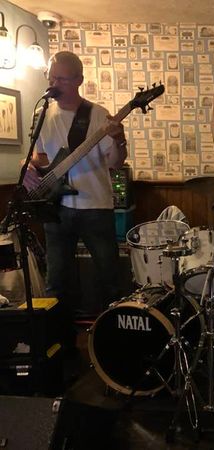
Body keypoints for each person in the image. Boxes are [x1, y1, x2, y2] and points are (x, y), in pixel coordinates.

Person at [22, 51, 128, 352]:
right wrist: (27, 166)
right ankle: (62, 348)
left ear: (79, 80)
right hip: (57, 207)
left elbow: (115, 163)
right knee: (57, 281)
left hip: (96, 207)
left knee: (109, 277)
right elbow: (42, 158)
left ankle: (114, 344)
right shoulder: (43, 115)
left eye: (61, 79)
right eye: (51, 78)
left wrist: (119, 139)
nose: (53, 84)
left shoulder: (98, 115)